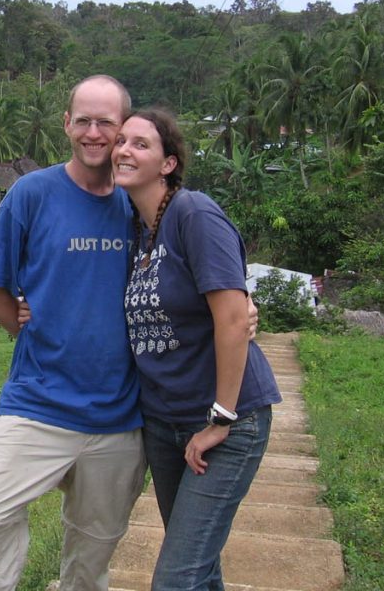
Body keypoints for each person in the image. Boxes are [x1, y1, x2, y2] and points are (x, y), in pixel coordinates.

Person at [0, 74, 146, 591]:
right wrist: (31, 333)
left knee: (91, 558)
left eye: (107, 122)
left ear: (124, 128)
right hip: (37, 404)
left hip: (119, 416)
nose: (94, 132)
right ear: (66, 124)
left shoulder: (141, 203)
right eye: (83, 120)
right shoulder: (32, 194)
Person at [111, 107, 281, 591]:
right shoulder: (134, 229)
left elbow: (231, 315)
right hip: (164, 425)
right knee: (198, 570)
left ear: (168, 163)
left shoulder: (194, 212)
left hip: (228, 422)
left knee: (175, 578)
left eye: (141, 144)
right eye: (122, 140)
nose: (124, 149)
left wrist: (220, 418)